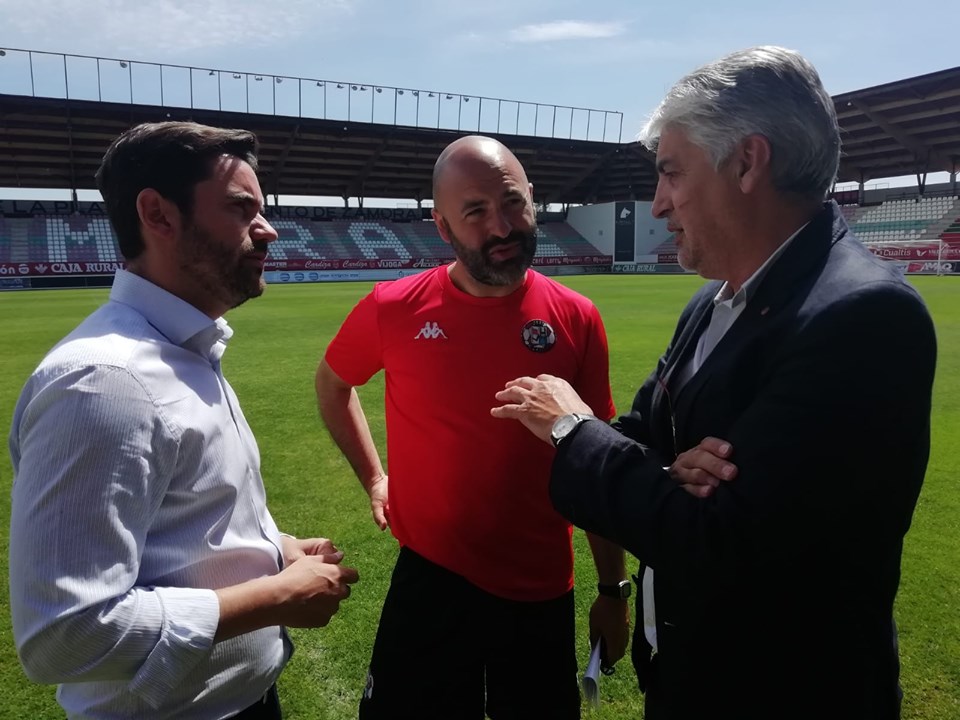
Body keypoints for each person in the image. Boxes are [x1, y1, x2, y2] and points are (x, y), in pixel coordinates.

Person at [492, 46, 937, 720]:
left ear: (747, 162)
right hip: (687, 677)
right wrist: (670, 473)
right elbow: (647, 438)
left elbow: (718, 542)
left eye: (671, 172)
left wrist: (570, 427)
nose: (659, 202)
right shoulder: (713, 299)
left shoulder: (863, 317)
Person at [8, 121, 359, 720]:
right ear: (159, 215)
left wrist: (275, 551)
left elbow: (185, 526)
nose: (268, 229)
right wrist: (274, 595)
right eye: (241, 208)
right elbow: (62, 637)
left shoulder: (187, 352)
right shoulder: (106, 381)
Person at [315, 135, 629, 719]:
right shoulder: (394, 308)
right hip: (432, 579)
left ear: (532, 198)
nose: (502, 226)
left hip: (540, 588)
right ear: (443, 227)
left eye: (512, 203)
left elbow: (597, 463)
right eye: (476, 212)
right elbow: (333, 385)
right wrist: (376, 478)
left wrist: (612, 590)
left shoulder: (577, 317)